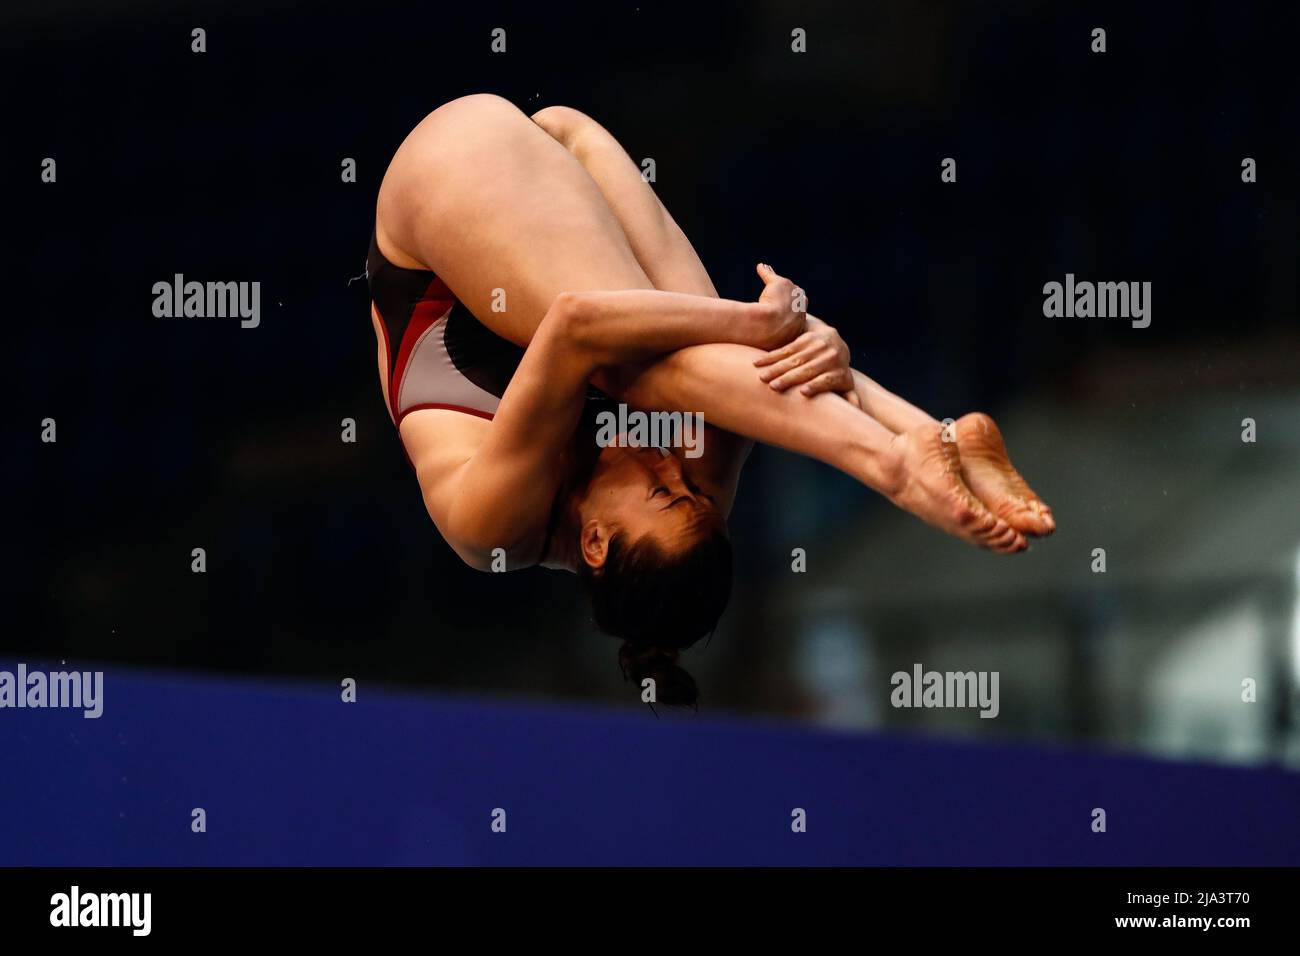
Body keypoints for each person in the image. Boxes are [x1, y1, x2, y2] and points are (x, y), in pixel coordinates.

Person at [367, 94, 1054, 705]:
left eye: (667, 495)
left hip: (449, 164)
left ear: (598, 543)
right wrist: (823, 351)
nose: (676, 472)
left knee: (632, 368)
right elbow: (760, 381)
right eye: (692, 495)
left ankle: (896, 466)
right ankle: (928, 432)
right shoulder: (687, 505)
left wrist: (759, 326)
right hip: (566, 141)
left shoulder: (491, 524)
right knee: (693, 384)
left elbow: (576, 324)